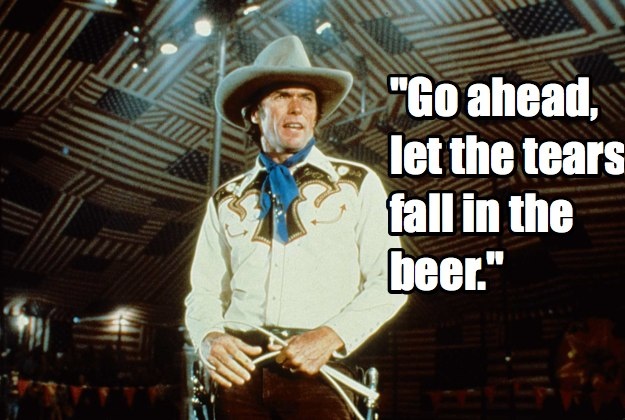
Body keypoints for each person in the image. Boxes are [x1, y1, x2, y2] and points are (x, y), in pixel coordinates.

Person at [185, 35, 407, 418]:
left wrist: (332, 335)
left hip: (321, 371)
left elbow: (392, 279)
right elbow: (203, 292)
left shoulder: (356, 184)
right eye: (282, 96)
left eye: (306, 98)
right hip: (239, 374)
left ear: (316, 114)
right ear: (255, 114)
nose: (296, 108)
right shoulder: (225, 199)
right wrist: (208, 337)